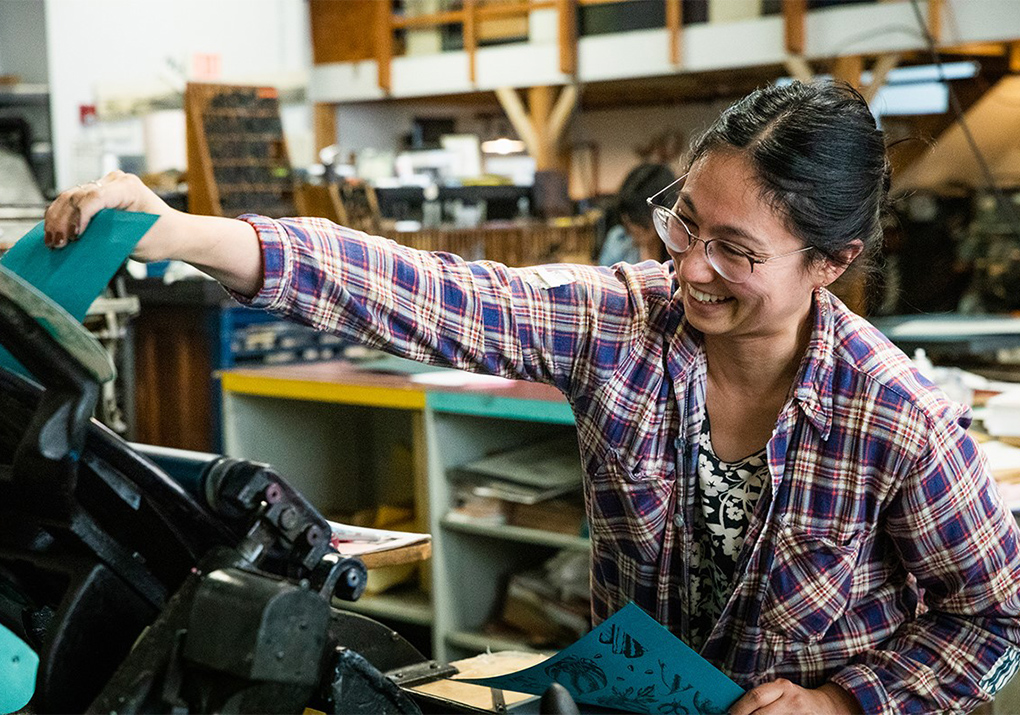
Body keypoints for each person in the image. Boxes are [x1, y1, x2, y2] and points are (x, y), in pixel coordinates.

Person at [45, 81, 1020, 714]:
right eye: (685, 223)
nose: (692, 268)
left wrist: (847, 702)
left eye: (737, 251)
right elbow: (437, 292)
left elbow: (997, 617)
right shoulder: (623, 324)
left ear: (833, 264)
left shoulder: (894, 413)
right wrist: (186, 235)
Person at [598, 163, 676, 265]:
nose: (633, 227)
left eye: (639, 219)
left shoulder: (679, 245)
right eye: (629, 218)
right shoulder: (618, 240)